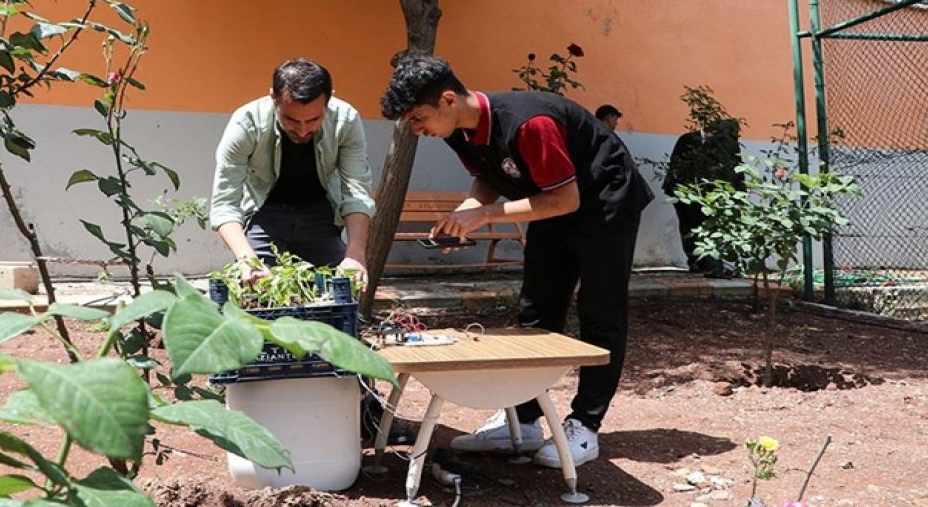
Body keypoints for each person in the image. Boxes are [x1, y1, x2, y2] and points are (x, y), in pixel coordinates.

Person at [380, 53, 653, 468]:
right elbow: (489, 178)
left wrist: (486, 214)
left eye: (419, 118)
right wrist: (465, 217)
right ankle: (524, 421)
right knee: (536, 309)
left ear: (449, 100)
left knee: (600, 312)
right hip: (551, 204)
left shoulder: (529, 124)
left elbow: (566, 198)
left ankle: (586, 426)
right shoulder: (460, 130)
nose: (418, 130)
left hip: (602, 206)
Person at [210, 58, 374, 285]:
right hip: (265, 214)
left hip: (321, 214)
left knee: (341, 286)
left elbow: (356, 191)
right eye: (290, 119)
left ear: (329, 99)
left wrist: (355, 255)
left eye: (314, 119)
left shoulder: (346, 120)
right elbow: (225, 203)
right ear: (273, 98)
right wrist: (247, 259)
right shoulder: (245, 124)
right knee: (257, 290)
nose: (303, 129)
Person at [662, 118, 743, 277]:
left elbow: (736, 170)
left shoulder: (728, 144)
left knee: (708, 227)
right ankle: (696, 262)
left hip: (709, 195)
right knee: (688, 226)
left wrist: (739, 194)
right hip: (685, 191)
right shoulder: (687, 140)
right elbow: (677, 165)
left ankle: (710, 265)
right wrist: (681, 189)